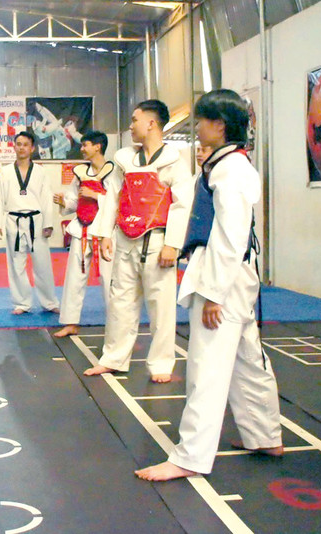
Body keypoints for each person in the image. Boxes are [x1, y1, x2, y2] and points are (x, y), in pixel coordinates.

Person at [136, 89, 282, 482]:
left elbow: (230, 237)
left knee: (207, 366)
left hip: (225, 278)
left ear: (219, 126)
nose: (196, 128)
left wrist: (215, 293)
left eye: (201, 121)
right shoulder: (224, 165)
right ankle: (264, 433)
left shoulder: (231, 170)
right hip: (231, 275)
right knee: (247, 359)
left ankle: (191, 456)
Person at [84, 100, 192, 383]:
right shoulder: (125, 160)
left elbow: (182, 205)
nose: (130, 125)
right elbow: (113, 198)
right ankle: (114, 358)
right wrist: (105, 233)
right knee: (120, 301)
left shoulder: (174, 162)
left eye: (134, 120)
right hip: (126, 239)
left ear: (152, 123)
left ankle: (161, 363)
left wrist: (173, 243)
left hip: (158, 242)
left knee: (161, 305)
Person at [53, 130, 118, 337]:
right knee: (74, 277)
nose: (81, 149)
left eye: (85, 145)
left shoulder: (115, 171)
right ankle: (70, 322)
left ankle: (118, 326)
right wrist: (64, 202)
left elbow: (119, 202)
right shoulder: (80, 172)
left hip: (105, 233)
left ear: (98, 146)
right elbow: (74, 200)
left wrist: (96, 195)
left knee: (110, 281)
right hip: (81, 229)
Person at [0, 131, 60, 315]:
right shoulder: (5, 172)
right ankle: (22, 303)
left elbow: (46, 198)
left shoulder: (40, 172)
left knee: (43, 263)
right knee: (16, 264)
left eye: (25, 144)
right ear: (14, 146)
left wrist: (49, 223)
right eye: (18, 144)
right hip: (14, 220)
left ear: (32, 148)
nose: (21, 147)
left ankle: (50, 302)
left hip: (36, 220)